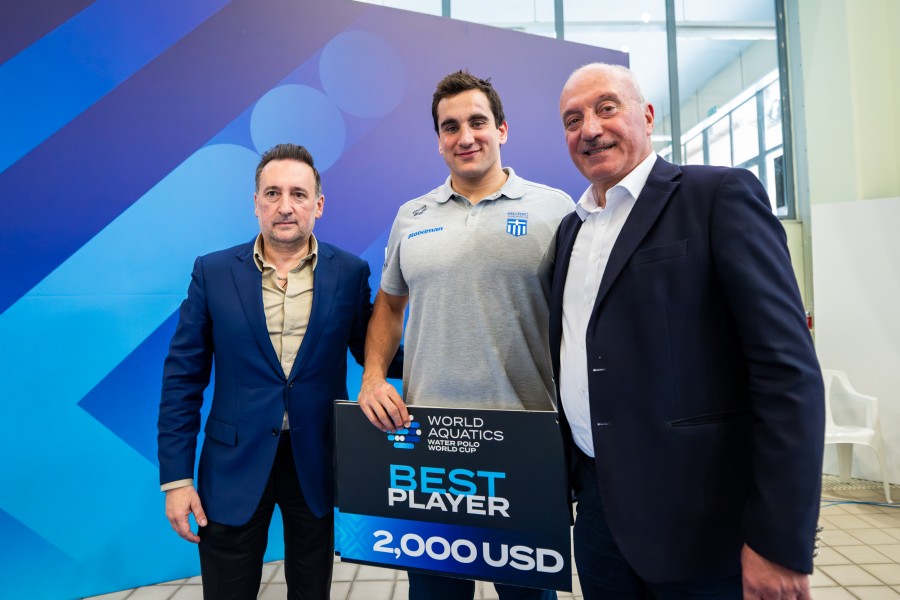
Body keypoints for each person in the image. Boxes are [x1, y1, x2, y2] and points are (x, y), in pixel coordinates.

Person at [549, 62, 825, 599]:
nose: (590, 129)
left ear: (647, 116)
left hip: (702, 522)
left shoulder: (716, 196)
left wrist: (778, 541)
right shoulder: (570, 230)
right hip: (601, 514)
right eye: (573, 119)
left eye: (607, 108)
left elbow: (787, 373)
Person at [357, 71, 573, 600]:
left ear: (502, 129)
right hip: (430, 446)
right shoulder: (411, 216)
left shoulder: (556, 210)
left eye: (478, 122)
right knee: (435, 594)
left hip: (523, 443)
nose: (465, 136)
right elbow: (389, 305)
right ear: (438, 140)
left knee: (527, 596)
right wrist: (373, 377)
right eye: (450, 126)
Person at [158, 143, 394, 600]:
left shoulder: (349, 273)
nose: (285, 206)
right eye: (273, 193)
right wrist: (177, 480)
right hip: (233, 463)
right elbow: (182, 379)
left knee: (311, 590)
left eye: (298, 194)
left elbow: (374, 351)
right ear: (256, 203)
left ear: (318, 205)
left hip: (315, 459)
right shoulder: (213, 272)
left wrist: (447, 348)